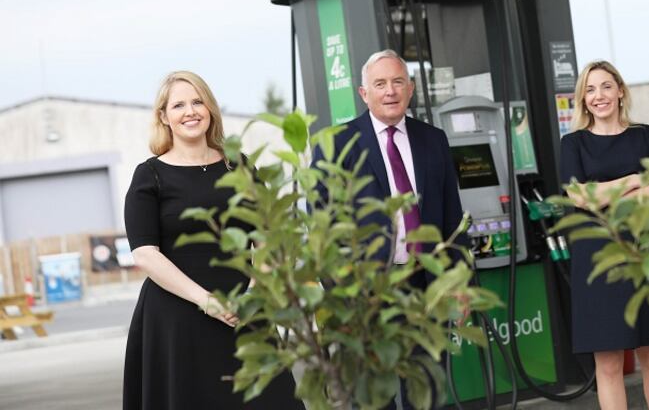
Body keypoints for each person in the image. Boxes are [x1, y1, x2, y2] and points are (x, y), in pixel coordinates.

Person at [122, 71, 302, 410]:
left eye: (197, 101)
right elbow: (145, 254)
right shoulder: (150, 176)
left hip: (244, 311)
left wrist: (253, 290)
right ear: (164, 117)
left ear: (210, 109)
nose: (190, 111)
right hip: (176, 321)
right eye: (178, 105)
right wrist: (207, 301)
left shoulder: (239, 167)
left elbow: (265, 234)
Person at [313, 49, 465, 409]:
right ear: (364, 94)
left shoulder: (434, 140)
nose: (390, 91)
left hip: (425, 289)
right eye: (380, 84)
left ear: (410, 89)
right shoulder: (336, 145)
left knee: (426, 395)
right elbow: (324, 234)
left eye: (398, 82)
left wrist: (459, 284)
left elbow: (452, 221)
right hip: (366, 295)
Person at [559, 60, 649, 410]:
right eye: (591, 90)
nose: (600, 96)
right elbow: (580, 197)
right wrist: (634, 180)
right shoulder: (574, 144)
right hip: (598, 261)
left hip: (648, 255)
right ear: (583, 100)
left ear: (620, 90)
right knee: (609, 364)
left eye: (606, 86)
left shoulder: (648, 136)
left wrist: (604, 193)